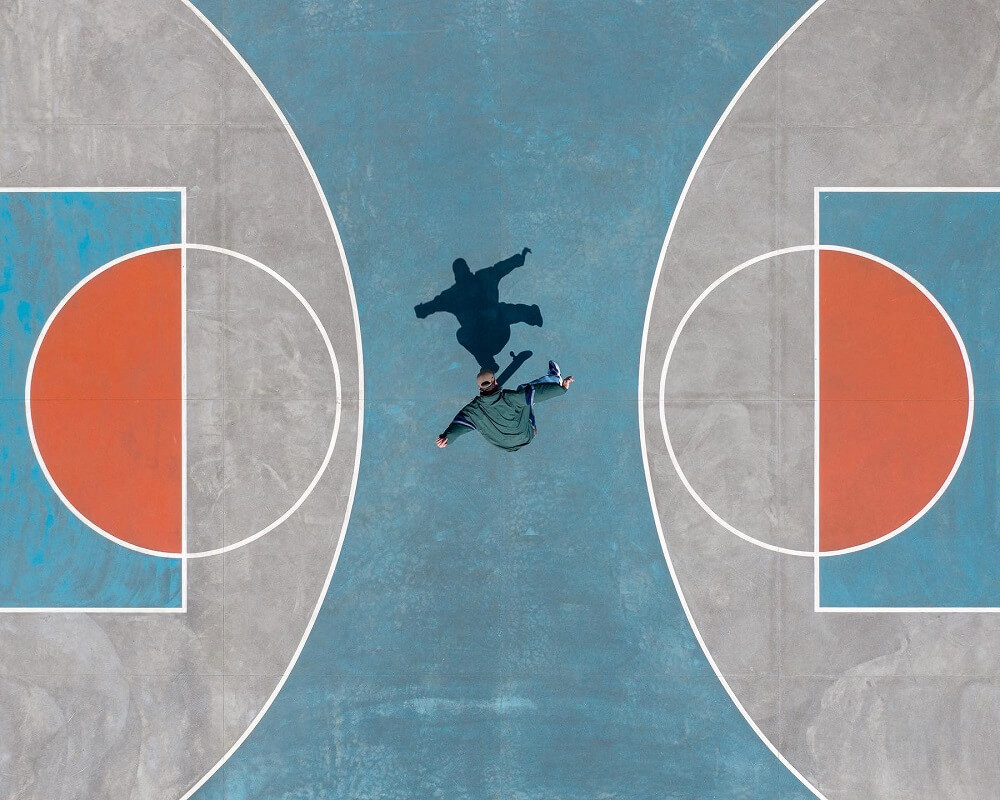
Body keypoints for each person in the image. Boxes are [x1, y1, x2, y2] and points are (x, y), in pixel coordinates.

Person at [414, 248, 542, 372]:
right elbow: (435, 304)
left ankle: (532, 315)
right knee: (462, 334)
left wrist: (519, 258)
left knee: (497, 311)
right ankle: (489, 364)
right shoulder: (452, 296)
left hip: (498, 332)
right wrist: (422, 309)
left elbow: (502, 268)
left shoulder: (485, 277)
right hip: (483, 343)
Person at [436, 361, 574, 452]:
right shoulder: (511, 397)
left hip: (504, 446)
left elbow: (457, 426)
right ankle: (554, 378)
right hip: (527, 435)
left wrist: (447, 438)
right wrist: (562, 388)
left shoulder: (472, 410)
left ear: (478, 387)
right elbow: (540, 393)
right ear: (495, 381)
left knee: (523, 399)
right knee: (525, 391)